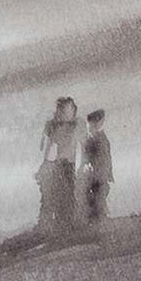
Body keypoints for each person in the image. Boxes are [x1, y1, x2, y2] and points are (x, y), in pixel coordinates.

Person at [35, 95, 79, 233]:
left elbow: (81, 145)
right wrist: (45, 163)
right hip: (58, 164)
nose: (70, 113)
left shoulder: (75, 125)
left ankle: (66, 225)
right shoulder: (55, 126)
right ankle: (58, 226)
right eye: (65, 110)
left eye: (71, 110)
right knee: (58, 194)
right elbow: (46, 146)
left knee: (67, 195)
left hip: (68, 165)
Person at [79, 108, 113, 220]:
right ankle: (97, 217)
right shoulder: (93, 138)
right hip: (96, 174)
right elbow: (86, 158)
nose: (90, 127)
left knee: (99, 198)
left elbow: (105, 157)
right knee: (96, 198)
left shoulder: (99, 139)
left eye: (92, 124)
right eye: (90, 125)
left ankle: (99, 218)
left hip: (99, 174)